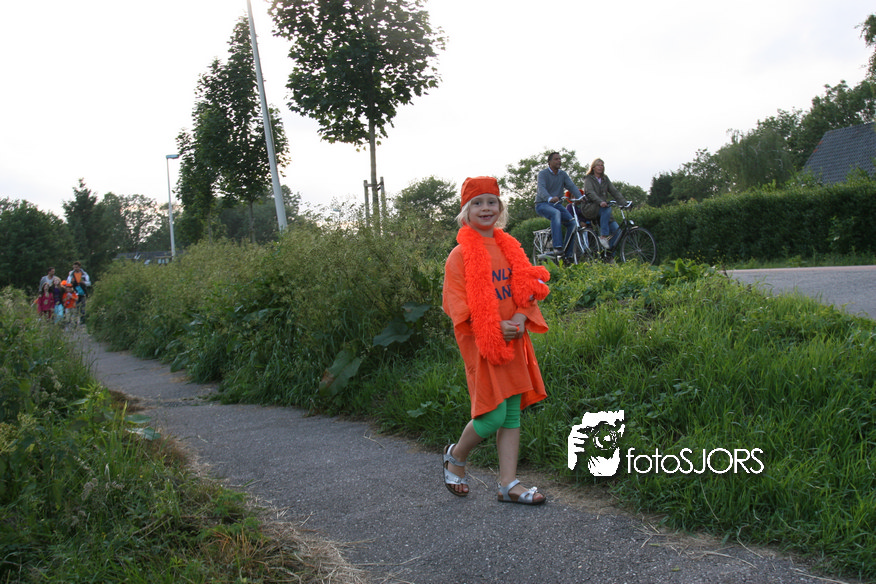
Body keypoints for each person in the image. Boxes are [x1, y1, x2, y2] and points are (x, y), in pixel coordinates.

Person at [441, 176, 551, 505]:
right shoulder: (459, 256)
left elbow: (527, 289)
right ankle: (456, 456)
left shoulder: (510, 248)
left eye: (492, 201)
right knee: (493, 416)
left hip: (514, 341)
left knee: (512, 414)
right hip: (484, 346)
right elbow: (456, 304)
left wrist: (520, 318)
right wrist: (491, 326)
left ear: (500, 208)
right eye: (477, 203)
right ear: (466, 211)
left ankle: (508, 484)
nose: (485, 208)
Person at [535, 152, 587, 259]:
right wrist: (549, 198)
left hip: (557, 204)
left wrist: (581, 197)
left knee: (573, 223)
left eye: (560, 159)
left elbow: (571, 186)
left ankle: (567, 255)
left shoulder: (562, 174)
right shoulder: (543, 174)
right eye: (556, 159)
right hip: (542, 204)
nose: (559, 161)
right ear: (549, 162)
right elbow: (541, 188)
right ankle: (557, 247)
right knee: (556, 213)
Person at [582, 158, 629, 250]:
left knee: (617, 232)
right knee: (607, 209)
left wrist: (625, 203)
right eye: (598, 165)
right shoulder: (589, 179)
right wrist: (600, 201)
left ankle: (609, 254)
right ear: (593, 167)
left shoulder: (605, 179)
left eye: (602, 165)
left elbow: (614, 191)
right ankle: (603, 236)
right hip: (591, 208)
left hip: (603, 210)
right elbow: (590, 192)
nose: (601, 167)